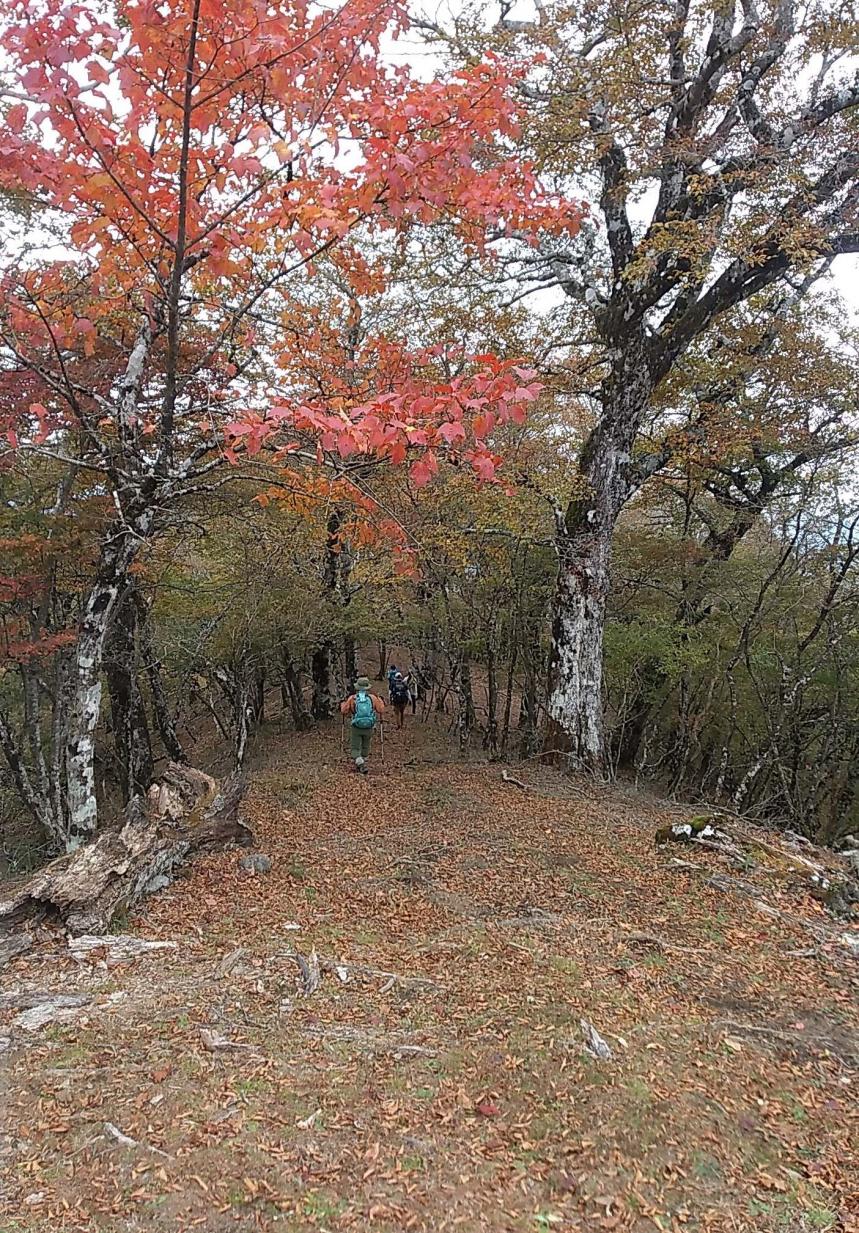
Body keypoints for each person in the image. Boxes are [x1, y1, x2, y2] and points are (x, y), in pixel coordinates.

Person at [340, 676, 385, 773]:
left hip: (356, 726)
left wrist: (343, 704)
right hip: (369, 726)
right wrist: (380, 700)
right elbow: (381, 709)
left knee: (355, 747)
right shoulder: (373, 698)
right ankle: (362, 761)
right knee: (366, 745)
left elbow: (344, 711)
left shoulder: (353, 698)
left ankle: (360, 764)